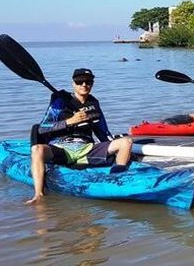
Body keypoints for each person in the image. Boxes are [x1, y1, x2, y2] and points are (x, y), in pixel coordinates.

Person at [26, 68, 133, 204]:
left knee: (126, 142)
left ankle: (119, 178)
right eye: (79, 81)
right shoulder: (60, 101)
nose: (84, 85)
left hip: (86, 149)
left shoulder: (93, 103)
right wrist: (69, 121)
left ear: (92, 84)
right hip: (62, 149)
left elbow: (102, 133)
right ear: (73, 84)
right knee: (37, 149)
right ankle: (39, 194)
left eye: (88, 82)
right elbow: (42, 128)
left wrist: (120, 149)